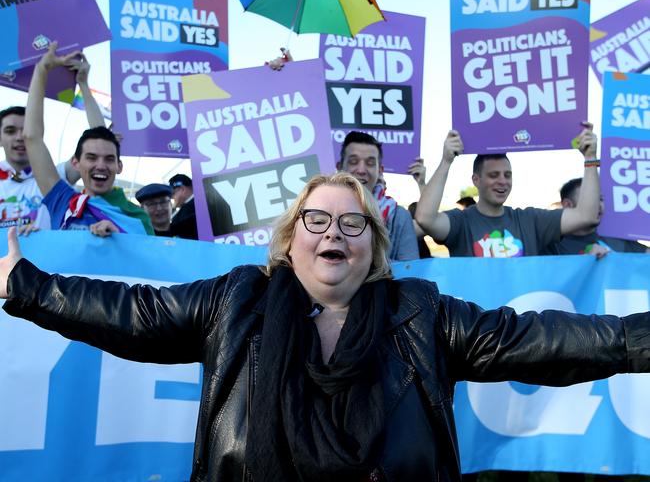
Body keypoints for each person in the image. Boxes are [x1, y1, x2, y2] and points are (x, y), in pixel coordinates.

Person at [2, 172, 650, 482]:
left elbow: (535, 339)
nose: (333, 233)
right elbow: (134, 315)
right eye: (317, 220)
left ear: (373, 247)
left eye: (352, 223)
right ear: (289, 242)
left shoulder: (421, 315)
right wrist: (21, 286)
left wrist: (638, 339)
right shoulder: (236, 302)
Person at [23, 42, 153, 237]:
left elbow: (147, 262)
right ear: (76, 163)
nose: (100, 165)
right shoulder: (63, 201)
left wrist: (121, 237)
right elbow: (31, 138)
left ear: (119, 166)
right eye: (91, 157)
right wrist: (42, 70)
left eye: (109, 159)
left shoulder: (137, 216)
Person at [415, 125, 600, 257]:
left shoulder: (530, 220)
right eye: (494, 175)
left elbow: (586, 216)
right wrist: (446, 160)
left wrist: (590, 158)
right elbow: (425, 218)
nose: (503, 181)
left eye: (507, 175)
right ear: (476, 180)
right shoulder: (461, 223)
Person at [0, 55, 102, 232]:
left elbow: (101, 142)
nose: (20, 137)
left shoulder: (56, 177)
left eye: (25, 130)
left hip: (46, 260)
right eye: (10, 131)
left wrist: (83, 85)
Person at [338, 131, 419, 261]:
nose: (361, 170)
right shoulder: (324, 211)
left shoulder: (399, 217)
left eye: (370, 163)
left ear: (380, 170)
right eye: (353, 162)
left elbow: (410, 271)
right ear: (339, 167)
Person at [545, 177, 649, 258]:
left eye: (600, 199)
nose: (599, 204)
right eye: (591, 199)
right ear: (568, 204)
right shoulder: (552, 244)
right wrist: (587, 263)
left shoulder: (617, 237)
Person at [169, 173, 198, 240]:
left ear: (182, 189)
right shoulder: (206, 202)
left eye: (173, 194)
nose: (172, 198)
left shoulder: (187, 210)